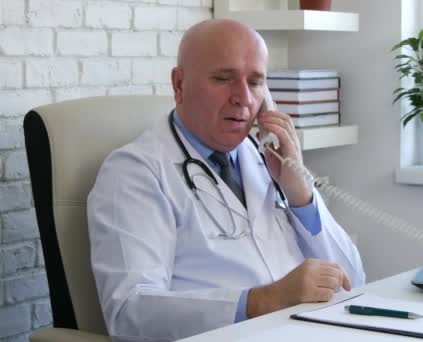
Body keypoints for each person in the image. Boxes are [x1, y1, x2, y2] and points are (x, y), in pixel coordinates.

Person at [87, 19, 365, 341]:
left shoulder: (266, 159)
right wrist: (263, 301)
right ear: (179, 85)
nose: (244, 98)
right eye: (223, 78)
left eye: (256, 82)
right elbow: (129, 313)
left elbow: (353, 279)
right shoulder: (135, 172)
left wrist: (300, 193)